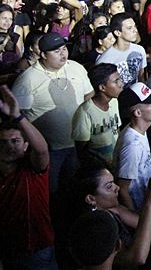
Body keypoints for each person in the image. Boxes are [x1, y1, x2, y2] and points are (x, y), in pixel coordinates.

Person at [0, 85, 57, 269]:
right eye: (2, 142)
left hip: (36, 250)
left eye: (15, 141)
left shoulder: (32, 168)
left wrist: (18, 116)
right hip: (3, 250)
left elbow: (42, 150)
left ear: (25, 145)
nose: (9, 146)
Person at [12, 31, 93, 192]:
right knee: (51, 190)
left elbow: (89, 95)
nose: (63, 54)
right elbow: (18, 116)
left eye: (64, 49)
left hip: (80, 143)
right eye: (56, 51)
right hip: (50, 149)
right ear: (43, 54)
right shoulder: (28, 79)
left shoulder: (76, 67)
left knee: (76, 189)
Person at [73, 163, 151, 267]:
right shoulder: (92, 229)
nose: (117, 188)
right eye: (109, 186)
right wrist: (148, 204)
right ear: (91, 199)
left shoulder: (113, 208)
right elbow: (137, 258)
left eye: (113, 182)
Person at [114, 82, 151, 211]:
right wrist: (136, 218)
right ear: (138, 113)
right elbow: (122, 188)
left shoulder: (140, 130)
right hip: (138, 209)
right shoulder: (132, 146)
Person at [71, 63, 123, 166]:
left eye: (119, 79)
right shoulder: (85, 112)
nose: (121, 84)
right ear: (102, 87)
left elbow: (117, 130)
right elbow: (82, 149)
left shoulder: (114, 102)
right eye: (116, 81)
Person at [96, 12, 147, 88]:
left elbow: (141, 77)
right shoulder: (105, 60)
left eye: (135, 26)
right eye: (129, 28)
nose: (135, 30)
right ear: (117, 32)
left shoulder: (139, 50)